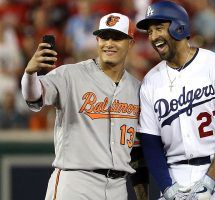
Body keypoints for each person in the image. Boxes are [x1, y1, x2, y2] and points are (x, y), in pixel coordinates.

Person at [21, 12, 147, 200]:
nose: (109, 43)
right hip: (76, 182)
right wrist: (30, 73)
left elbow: (137, 150)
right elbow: (34, 96)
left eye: (117, 38)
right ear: (97, 40)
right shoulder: (70, 74)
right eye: (104, 37)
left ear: (130, 43)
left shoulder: (138, 89)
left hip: (118, 188)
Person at [136, 1, 215, 200]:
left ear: (178, 27)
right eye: (149, 32)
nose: (153, 37)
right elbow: (150, 142)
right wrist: (167, 187)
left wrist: (210, 181)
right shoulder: (150, 81)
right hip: (176, 176)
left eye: (159, 28)